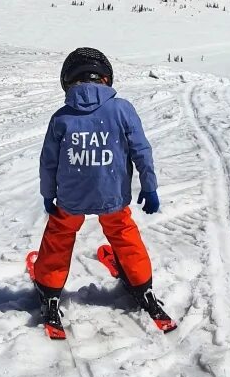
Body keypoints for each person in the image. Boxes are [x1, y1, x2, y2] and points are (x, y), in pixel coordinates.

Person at [32, 46, 175, 334]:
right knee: (123, 234)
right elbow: (141, 151)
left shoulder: (62, 117)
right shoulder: (121, 109)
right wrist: (149, 187)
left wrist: (48, 194)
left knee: (59, 236)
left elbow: (48, 161)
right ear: (106, 79)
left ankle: (49, 289)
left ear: (68, 82)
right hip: (112, 195)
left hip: (71, 198)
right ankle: (142, 285)